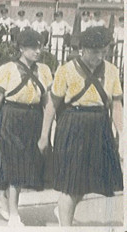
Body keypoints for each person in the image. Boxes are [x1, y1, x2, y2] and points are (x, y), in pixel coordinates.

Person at [37, 27, 123, 226]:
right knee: (71, 183)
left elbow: (117, 105)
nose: (99, 56)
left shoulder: (111, 70)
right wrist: (44, 136)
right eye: (95, 52)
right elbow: (52, 105)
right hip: (73, 126)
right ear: (83, 49)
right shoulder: (66, 70)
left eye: (103, 51)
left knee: (86, 180)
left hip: (99, 127)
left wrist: (122, 135)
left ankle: (62, 211)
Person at [0, 29, 53, 226]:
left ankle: (3, 195)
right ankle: (15, 215)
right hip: (11, 119)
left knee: (26, 165)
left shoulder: (44, 70)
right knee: (15, 164)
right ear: (22, 47)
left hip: (34, 118)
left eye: (40, 46)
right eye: (33, 47)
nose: (38, 50)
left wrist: (46, 133)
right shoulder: (6, 69)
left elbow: (48, 103)